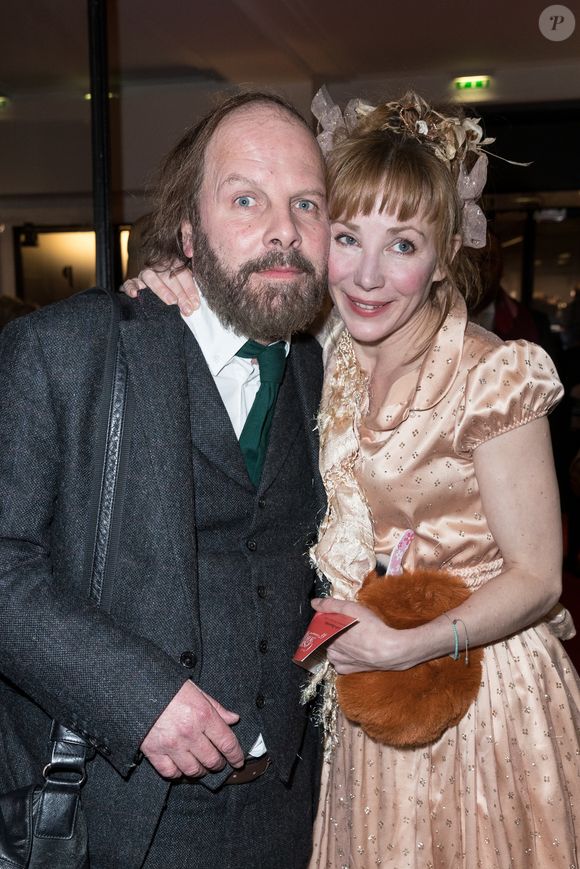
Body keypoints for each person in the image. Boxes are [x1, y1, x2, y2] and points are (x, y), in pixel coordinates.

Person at [132, 89, 580, 868]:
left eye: (402, 245)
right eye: (347, 237)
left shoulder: (492, 375)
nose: (369, 275)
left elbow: (540, 578)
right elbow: (239, 293)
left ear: (442, 254)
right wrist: (171, 280)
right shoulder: (320, 349)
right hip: (365, 694)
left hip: (481, 697)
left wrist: (407, 646)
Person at [0, 91, 330, 869]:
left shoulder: (324, 369)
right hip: (116, 818)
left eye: (305, 203)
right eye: (245, 198)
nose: (283, 228)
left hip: (292, 811)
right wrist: (135, 696)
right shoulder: (66, 352)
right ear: (188, 229)